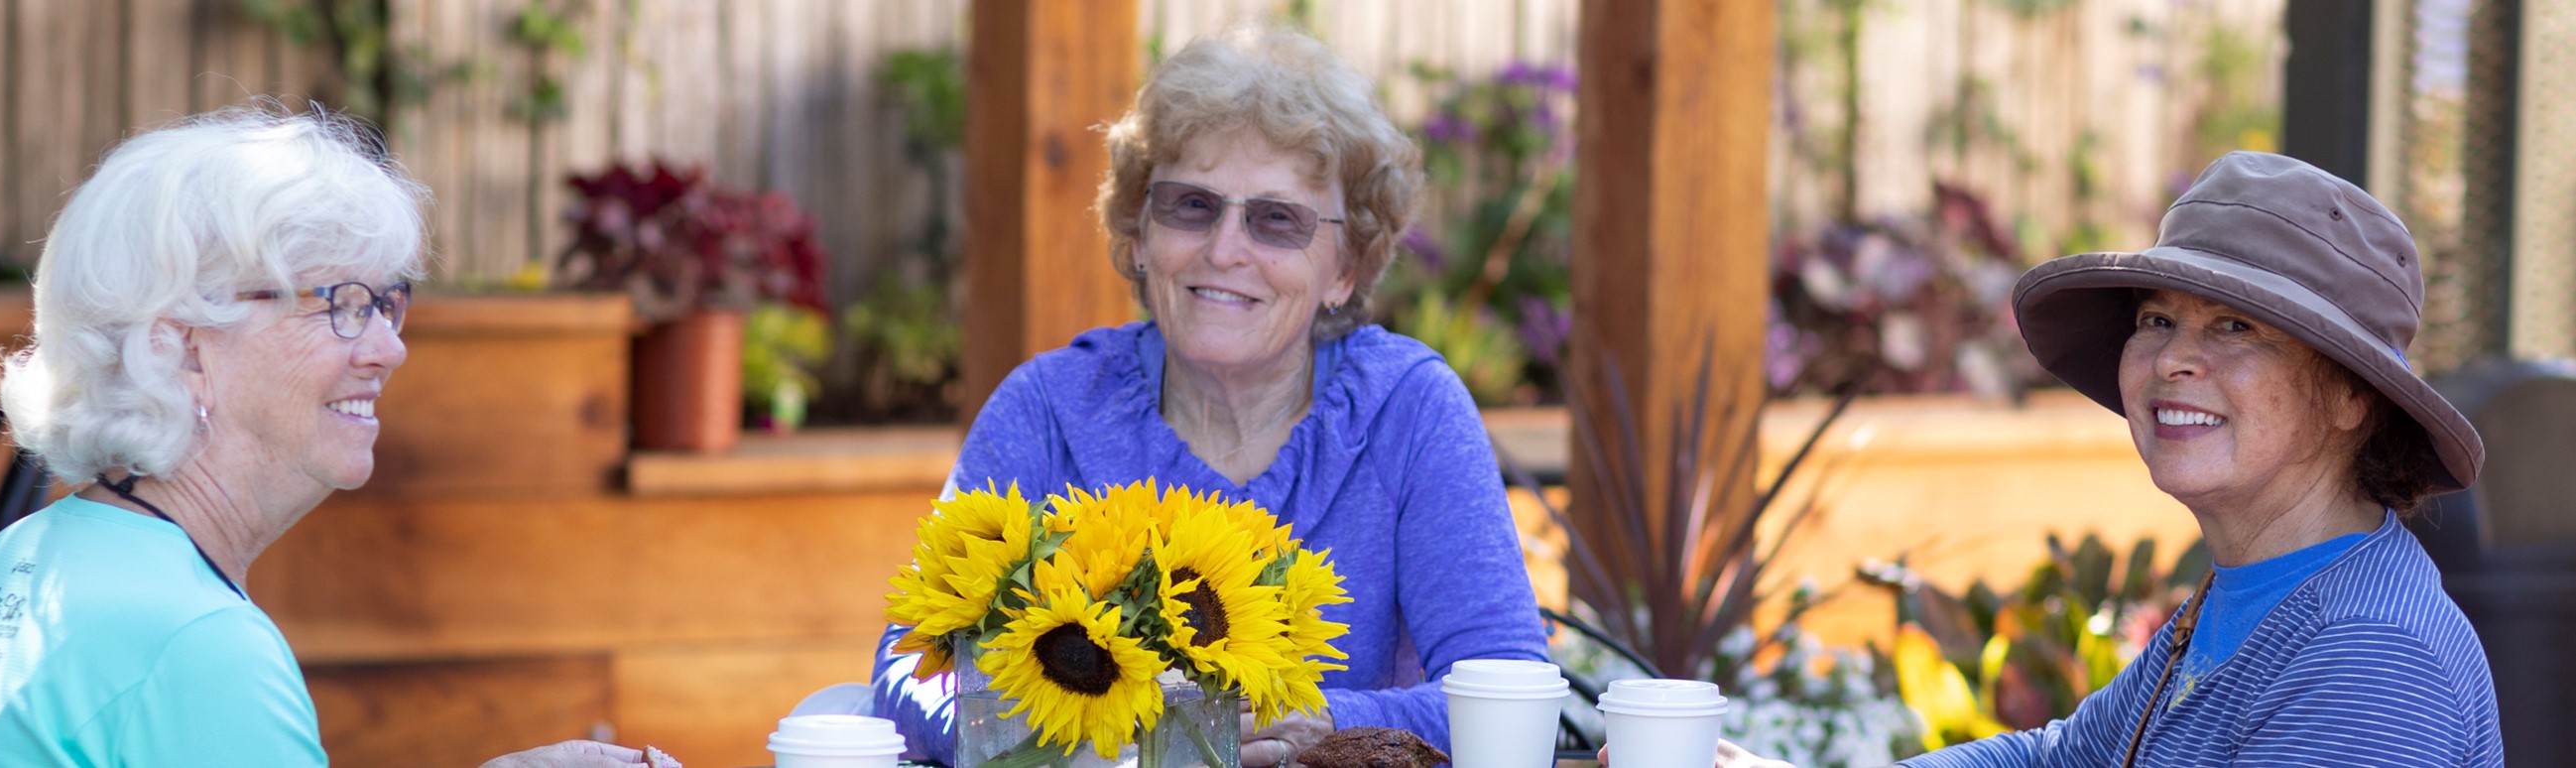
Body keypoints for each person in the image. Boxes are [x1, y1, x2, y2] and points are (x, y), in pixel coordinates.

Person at [870, 27, 1550, 767]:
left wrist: (1307, 722)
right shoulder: (1046, 407)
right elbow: (912, 668)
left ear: (1345, 268)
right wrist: (1085, 729)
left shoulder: (1408, 410)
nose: (1224, 249)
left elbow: (1510, 692)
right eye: (1191, 205)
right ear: (1137, 234)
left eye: (1277, 219)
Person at [1695, 153, 2504, 767]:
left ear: (2350, 398)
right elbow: (2060, 759)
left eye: (2233, 328)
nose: (2172, 360)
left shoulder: (2365, 659)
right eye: (2155, 320)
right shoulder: (2251, 595)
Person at [0, 108, 670, 767]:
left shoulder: (32, 551)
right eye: (340, 303)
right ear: (182, 349)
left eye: (387, 302)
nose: (388, 348)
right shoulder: (200, 645)